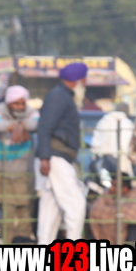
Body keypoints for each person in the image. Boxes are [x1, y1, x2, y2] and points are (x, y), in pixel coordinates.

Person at [36, 63, 88, 243]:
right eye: (84, 80)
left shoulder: (62, 96)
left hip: (55, 157)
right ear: (77, 80)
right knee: (76, 205)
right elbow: (44, 127)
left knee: (50, 210)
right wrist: (44, 158)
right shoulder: (58, 96)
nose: (85, 84)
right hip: (55, 157)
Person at [0, 85, 39, 243]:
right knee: (7, 213)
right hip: (4, 173)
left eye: (22, 103)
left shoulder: (30, 112)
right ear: (8, 103)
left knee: (25, 212)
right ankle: (8, 248)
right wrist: (12, 127)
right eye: (16, 103)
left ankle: (24, 248)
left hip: (25, 174)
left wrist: (23, 126)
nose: (20, 107)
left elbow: (37, 123)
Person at [87, 172, 136, 243]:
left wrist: (117, 214)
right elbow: (95, 210)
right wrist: (118, 215)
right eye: (111, 184)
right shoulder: (106, 195)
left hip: (130, 232)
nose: (111, 188)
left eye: (115, 185)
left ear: (125, 188)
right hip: (109, 228)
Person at [90, 102, 134, 177]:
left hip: (102, 163)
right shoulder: (127, 123)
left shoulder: (103, 121)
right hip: (122, 164)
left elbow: (95, 143)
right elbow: (129, 146)